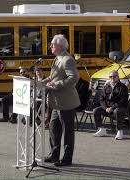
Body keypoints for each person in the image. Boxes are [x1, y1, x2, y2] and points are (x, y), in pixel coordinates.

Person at [42, 34, 80, 167]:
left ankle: (67, 159)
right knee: (53, 129)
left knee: (68, 132)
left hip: (66, 102)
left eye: (52, 44)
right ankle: (54, 155)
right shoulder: (57, 58)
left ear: (60, 46)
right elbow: (54, 76)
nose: (51, 46)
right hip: (56, 103)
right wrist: (45, 81)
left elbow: (74, 78)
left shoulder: (67, 59)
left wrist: (57, 84)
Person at [93, 70, 128, 140]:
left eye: (114, 76)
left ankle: (119, 131)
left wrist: (112, 107)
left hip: (119, 107)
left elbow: (122, 101)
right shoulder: (107, 86)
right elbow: (101, 99)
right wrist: (105, 108)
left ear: (118, 77)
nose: (112, 78)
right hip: (108, 108)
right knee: (96, 110)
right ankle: (101, 129)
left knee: (117, 111)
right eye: (110, 76)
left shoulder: (123, 87)